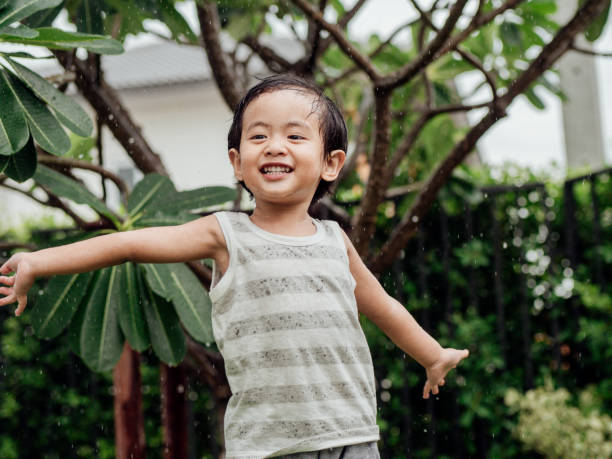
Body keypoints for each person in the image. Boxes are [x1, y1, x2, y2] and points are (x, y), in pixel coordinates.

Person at [0, 74, 469, 458]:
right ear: (237, 163)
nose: (274, 145)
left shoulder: (334, 241)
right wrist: (40, 261)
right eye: (258, 135)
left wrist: (432, 354)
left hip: (351, 434)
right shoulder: (226, 234)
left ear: (331, 163)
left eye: (294, 135)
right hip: (270, 446)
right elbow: (131, 245)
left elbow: (383, 306)